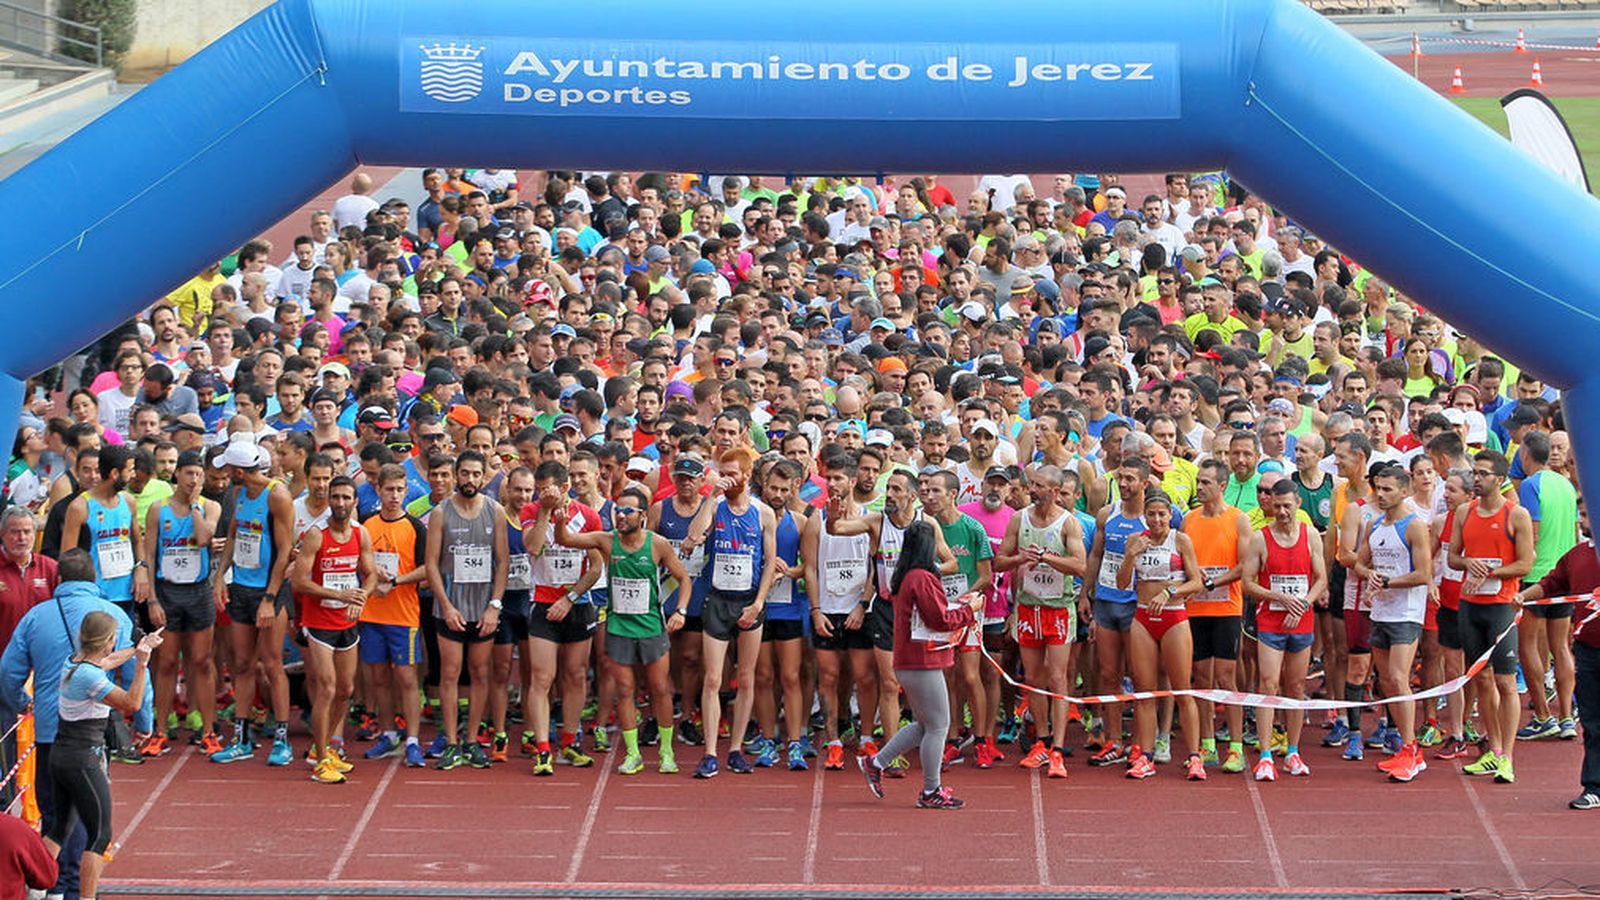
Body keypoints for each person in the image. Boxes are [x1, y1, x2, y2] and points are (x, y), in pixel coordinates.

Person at [1, 550, 153, 900]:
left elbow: (9, 672)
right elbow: (132, 687)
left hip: (49, 737)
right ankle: (79, 894)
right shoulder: (114, 615)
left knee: (56, 819)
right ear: (94, 578)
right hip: (87, 746)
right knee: (96, 828)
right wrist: (143, 722)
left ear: (58, 580)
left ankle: (44, 888)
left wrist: (20, 705)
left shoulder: (37, 618)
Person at [552, 484, 693, 775]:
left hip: (652, 627)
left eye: (628, 511)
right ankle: (633, 754)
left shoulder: (657, 544)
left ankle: (666, 751)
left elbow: (683, 578)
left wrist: (680, 611)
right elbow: (565, 539)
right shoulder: (606, 540)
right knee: (625, 691)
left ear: (642, 516)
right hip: (619, 627)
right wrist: (560, 518)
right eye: (618, 510)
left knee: (660, 689)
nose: (621, 515)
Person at [858, 521, 982, 810]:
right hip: (921, 660)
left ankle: (876, 762)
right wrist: (969, 610)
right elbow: (939, 619)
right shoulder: (922, 578)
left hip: (911, 659)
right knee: (939, 726)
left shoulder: (905, 577)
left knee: (924, 725)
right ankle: (930, 790)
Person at [40, 613, 162, 900]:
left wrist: (140, 646)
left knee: (60, 829)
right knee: (99, 836)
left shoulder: (74, 662)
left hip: (61, 754)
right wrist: (142, 664)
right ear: (107, 641)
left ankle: (37, 891)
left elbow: (107, 662)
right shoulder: (91, 679)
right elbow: (131, 703)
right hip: (83, 760)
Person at [685, 447, 778, 778]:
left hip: (750, 601)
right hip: (717, 600)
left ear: (747, 475)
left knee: (747, 677)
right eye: (722, 471)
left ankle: (736, 749)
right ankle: (710, 753)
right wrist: (711, 495)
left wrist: (758, 603)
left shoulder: (763, 513)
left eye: (733, 473)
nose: (727, 478)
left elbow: (770, 563)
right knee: (713, 678)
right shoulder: (717, 507)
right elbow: (694, 536)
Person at [208, 440, 297, 766]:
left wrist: (270, 599)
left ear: (240, 470)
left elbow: (285, 551)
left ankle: (282, 739)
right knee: (242, 664)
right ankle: (242, 737)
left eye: (228, 468)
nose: (225, 472)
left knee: (272, 664)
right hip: (242, 589)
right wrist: (221, 576)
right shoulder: (237, 494)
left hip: (268, 593)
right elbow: (233, 535)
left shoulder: (277, 495)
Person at [1448, 450, 1534, 784]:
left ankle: (1508, 757)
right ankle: (1493, 750)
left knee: (1505, 681)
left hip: (1501, 605)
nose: (1477, 479)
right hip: (1470, 604)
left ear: (1499, 478)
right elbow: (1454, 557)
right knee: (1480, 679)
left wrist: (1492, 572)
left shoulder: (1517, 515)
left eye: (1483, 473)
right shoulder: (1463, 512)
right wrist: (1470, 564)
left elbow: (1525, 565)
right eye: (1475, 473)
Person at [995, 464, 1084, 778]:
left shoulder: (1068, 523)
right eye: (1031, 484)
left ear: (1055, 491)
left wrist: (1047, 558)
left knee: (1058, 679)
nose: (1031, 490)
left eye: (1038, 485)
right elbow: (999, 562)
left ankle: (1058, 748)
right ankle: (1041, 742)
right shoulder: (1020, 519)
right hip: (1029, 608)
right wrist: (1021, 558)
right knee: (1032, 679)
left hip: (1058, 609)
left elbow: (1080, 566)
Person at [425, 450, 508, 771]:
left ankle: (472, 740)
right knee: (448, 673)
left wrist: (494, 606)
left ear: (484, 476)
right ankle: (451, 741)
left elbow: (501, 562)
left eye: (476, 474)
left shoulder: (495, 511)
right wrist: (445, 606)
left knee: (480, 672)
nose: (470, 479)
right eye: (465, 474)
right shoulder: (441, 512)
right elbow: (430, 564)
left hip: (484, 606)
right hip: (451, 606)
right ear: (456, 475)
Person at [291, 475, 377, 783]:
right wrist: (339, 595)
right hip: (319, 623)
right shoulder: (317, 536)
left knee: (346, 689)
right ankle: (321, 758)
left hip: (347, 622)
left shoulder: (360, 534)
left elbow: (369, 576)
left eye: (346, 498)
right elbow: (299, 581)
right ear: (329, 500)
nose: (340, 503)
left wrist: (361, 597)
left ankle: (324, 747)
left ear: (355, 501)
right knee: (326, 688)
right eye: (335, 497)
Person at [1116, 491, 1206, 780]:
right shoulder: (1135, 541)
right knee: (1144, 692)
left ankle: (1194, 757)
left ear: (1170, 516)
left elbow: (1196, 582)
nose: (1156, 519)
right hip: (1143, 617)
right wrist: (1130, 556)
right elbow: (1121, 585)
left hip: (1174, 617)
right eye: (1151, 514)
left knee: (1181, 690)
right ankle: (1145, 755)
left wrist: (1171, 592)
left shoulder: (1180, 540)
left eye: (1161, 514)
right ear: (1144, 515)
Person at [1353, 463, 1434, 782]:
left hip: (1406, 614)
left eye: (1388, 489)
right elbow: (1359, 562)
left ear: (1405, 490)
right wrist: (1369, 576)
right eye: (1378, 488)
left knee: (1400, 679)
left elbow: (1424, 574)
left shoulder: (1414, 526)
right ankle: (1404, 746)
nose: (1381, 494)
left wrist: (1386, 583)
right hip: (1381, 613)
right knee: (1386, 682)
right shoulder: (1374, 525)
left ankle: (1412, 749)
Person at [139, 449, 223, 758]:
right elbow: (148, 555)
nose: (194, 479)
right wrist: (152, 599)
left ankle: (209, 730)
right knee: (167, 663)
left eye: (199, 475)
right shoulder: (158, 510)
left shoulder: (210, 507)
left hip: (199, 591)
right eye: (189, 473)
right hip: (168, 592)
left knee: (202, 662)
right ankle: (160, 730)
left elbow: (204, 539)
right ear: (178, 475)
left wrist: (195, 508)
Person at [1241, 479, 1326, 780]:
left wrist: (1303, 603)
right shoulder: (1260, 539)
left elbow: (1320, 579)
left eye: (1287, 506)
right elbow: (1248, 583)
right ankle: (1265, 755)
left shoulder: (1311, 535)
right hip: (1271, 621)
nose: (1282, 512)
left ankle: (1292, 751)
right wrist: (1278, 597)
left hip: (1300, 620)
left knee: (1296, 687)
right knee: (1267, 684)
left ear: (1298, 504)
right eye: (1276, 506)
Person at [526, 460, 603, 774]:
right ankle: (543, 748)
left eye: (550, 490)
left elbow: (597, 566)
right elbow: (532, 547)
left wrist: (570, 598)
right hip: (544, 603)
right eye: (540, 490)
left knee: (575, 675)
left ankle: (569, 742)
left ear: (566, 487)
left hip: (576, 603)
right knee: (542, 678)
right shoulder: (532, 511)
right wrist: (545, 511)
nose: (544, 495)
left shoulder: (588, 516)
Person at [1184, 458, 1254, 772]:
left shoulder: (1239, 520)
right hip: (1196, 607)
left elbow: (1244, 565)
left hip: (1227, 607)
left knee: (1226, 678)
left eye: (1206, 483)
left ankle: (1236, 747)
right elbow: (1185, 560)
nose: (1199, 487)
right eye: (1198, 482)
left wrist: (1212, 580)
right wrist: (1193, 576)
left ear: (1222, 486)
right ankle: (1208, 744)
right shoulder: (1189, 519)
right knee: (1200, 678)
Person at [359, 463, 430, 767]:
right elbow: (358, 561)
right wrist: (373, 574)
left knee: (406, 676)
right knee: (378, 677)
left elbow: (428, 569)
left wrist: (396, 581)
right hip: (372, 613)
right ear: (379, 490)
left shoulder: (415, 527)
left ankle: (412, 739)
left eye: (400, 490)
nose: (395, 496)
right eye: (389, 490)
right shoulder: (366, 526)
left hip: (403, 614)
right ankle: (389, 733)